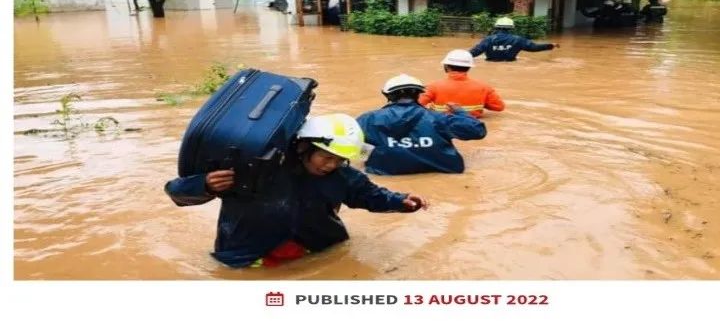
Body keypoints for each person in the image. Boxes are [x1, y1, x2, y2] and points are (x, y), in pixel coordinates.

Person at [164, 113, 428, 269]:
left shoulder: (344, 176)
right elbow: (176, 192)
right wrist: (204, 185)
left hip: (319, 249)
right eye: (327, 157)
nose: (332, 165)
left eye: (340, 160)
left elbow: (370, 196)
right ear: (304, 147)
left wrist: (400, 200)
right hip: (249, 256)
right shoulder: (254, 168)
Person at [357, 73, 486, 175]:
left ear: (388, 95)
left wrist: (371, 156)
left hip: (385, 173)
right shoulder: (438, 118)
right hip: (442, 172)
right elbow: (478, 131)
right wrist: (460, 112)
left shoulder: (367, 119)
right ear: (419, 95)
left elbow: (349, 145)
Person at [419, 49, 505, 118]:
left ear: (446, 66)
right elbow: (499, 107)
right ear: (469, 67)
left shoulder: (433, 86)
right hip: (470, 126)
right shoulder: (484, 87)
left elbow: (415, 106)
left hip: (441, 125)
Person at [469, 16, 559, 61]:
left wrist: (458, 56)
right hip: (510, 65)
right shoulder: (518, 39)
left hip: (490, 64)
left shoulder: (488, 39)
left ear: (496, 27)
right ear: (511, 28)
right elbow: (534, 48)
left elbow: (475, 52)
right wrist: (550, 45)